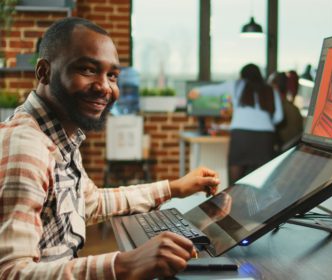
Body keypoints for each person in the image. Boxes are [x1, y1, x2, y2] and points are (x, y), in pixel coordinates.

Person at [0, 17, 220, 279]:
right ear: (44, 72)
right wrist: (123, 265)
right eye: (87, 70)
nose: (105, 87)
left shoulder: (61, 135)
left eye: (112, 75)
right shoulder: (27, 147)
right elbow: (11, 272)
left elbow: (91, 202)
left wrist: (174, 188)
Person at [189, 63, 283, 185]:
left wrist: (196, 91)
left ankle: (235, 204)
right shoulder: (270, 89)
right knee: (264, 185)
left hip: (241, 137)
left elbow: (216, 89)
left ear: (242, 76)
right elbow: (279, 117)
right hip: (265, 139)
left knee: (235, 185)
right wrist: (263, 122)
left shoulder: (237, 85)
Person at [268, 71, 303, 153]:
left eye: (269, 86)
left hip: (284, 152)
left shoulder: (278, 109)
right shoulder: (294, 108)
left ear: (275, 87)